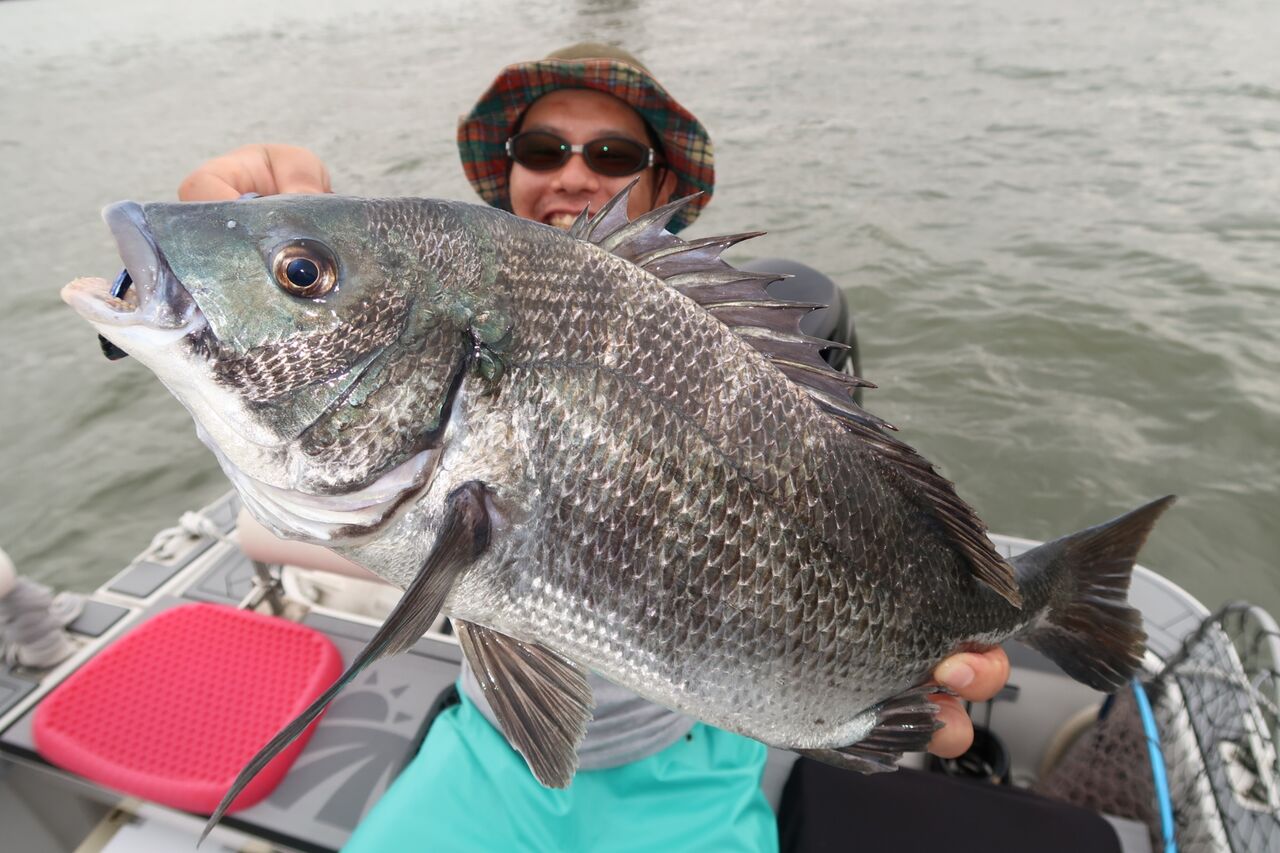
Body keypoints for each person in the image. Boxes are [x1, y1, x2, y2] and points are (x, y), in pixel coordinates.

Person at [179, 44, 1011, 851]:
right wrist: (213, 262)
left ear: (661, 186)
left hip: (699, 756)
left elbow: (847, 506)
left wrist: (930, 631)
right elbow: (279, 429)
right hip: (495, 744)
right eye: (543, 149)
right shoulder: (427, 313)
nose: (574, 174)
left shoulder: (731, 358)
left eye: (612, 154)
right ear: (508, 175)